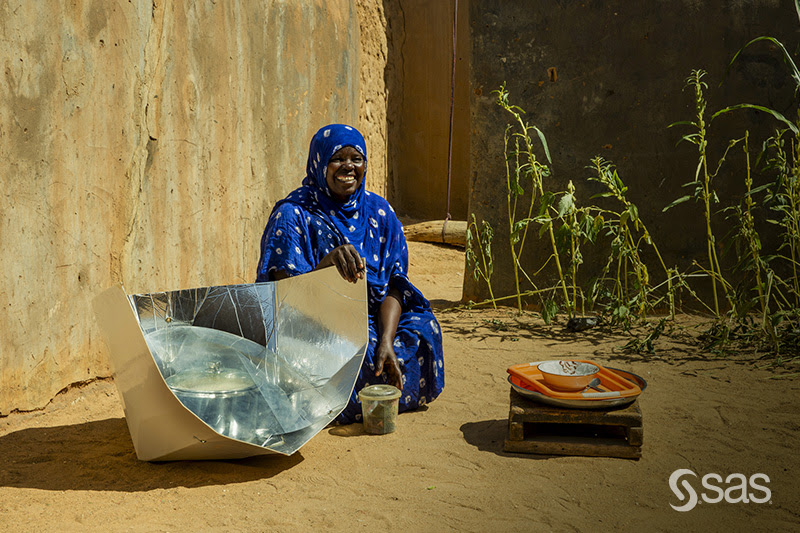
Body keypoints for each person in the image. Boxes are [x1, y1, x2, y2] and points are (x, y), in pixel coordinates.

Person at [256, 124, 445, 423]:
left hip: (373, 320)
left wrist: (386, 340)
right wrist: (325, 266)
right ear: (319, 163)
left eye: (356, 159)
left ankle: (356, 391)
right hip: (315, 323)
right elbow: (284, 299)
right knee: (346, 353)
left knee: (423, 331)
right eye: (337, 159)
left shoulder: (380, 212)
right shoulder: (293, 214)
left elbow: (395, 286)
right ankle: (348, 397)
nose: (348, 167)